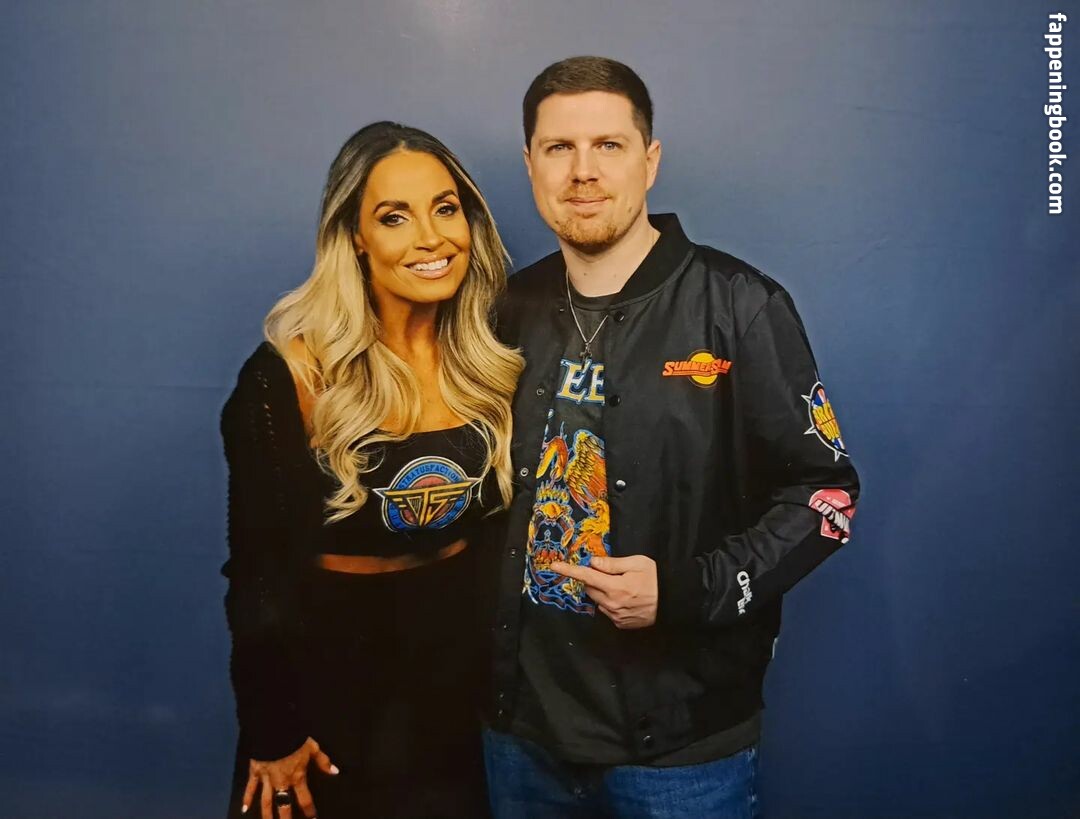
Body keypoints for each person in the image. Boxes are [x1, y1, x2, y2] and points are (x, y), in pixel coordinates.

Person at [483, 56, 860, 818]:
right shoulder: (505, 310)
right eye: (559, 148)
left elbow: (827, 498)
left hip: (681, 749)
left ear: (650, 160)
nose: (583, 171)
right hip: (521, 737)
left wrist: (687, 590)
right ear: (530, 165)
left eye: (609, 145)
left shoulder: (738, 305)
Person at [220, 121, 523, 819]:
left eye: (445, 208)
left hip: (455, 697)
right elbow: (256, 572)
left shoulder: (491, 359)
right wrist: (272, 729)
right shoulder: (292, 375)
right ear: (354, 236)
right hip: (327, 694)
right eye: (394, 216)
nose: (431, 238)